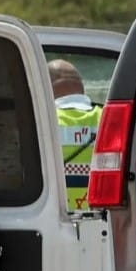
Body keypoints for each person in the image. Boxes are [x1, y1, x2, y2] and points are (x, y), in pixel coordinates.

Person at [49, 60, 103, 212]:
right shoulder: (106, 118)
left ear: (46, 87)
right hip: (100, 218)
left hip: (55, 218)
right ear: (81, 87)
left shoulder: (44, 121)